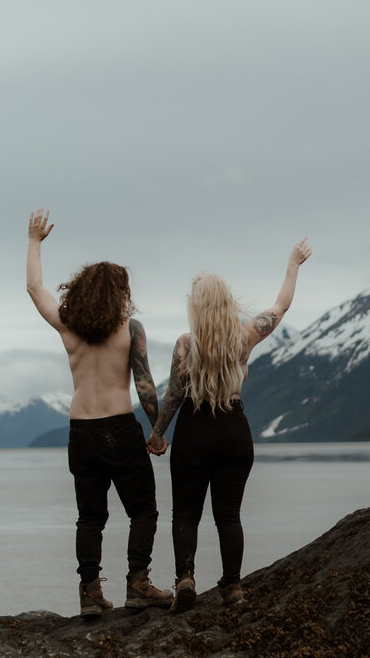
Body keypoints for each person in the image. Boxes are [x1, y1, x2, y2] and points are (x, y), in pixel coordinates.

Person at [147, 240, 312, 612]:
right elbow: (281, 307)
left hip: (194, 430)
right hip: (234, 430)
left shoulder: (186, 345)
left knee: (186, 513)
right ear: (227, 303)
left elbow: (173, 396)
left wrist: (157, 435)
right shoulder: (245, 335)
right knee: (229, 515)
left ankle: (185, 579)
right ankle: (233, 587)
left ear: (196, 306)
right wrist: (293, 264)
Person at [26, 209, 173, 618]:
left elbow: (35, 288)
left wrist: (34, 241)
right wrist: (157, 431)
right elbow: (144, 386)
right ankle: (138, 585)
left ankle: (89, 594)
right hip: (119, 428)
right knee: (142, 509)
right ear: (119, 294)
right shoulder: (130, 329)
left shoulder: (68, 326)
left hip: (81, 432)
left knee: (90, 517)